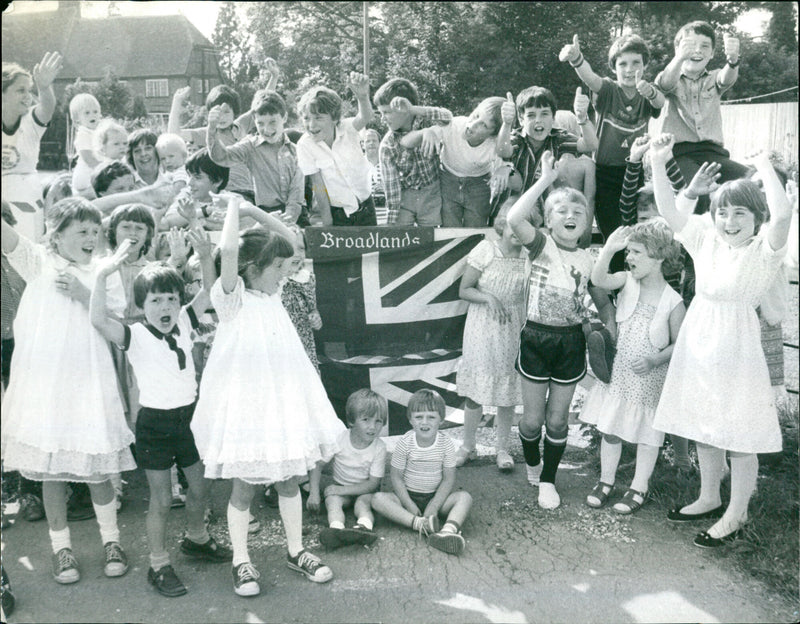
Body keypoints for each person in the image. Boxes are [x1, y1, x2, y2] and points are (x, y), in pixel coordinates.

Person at [190, 195, 345, 596]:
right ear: (253, 269)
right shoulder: (231, 299)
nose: (284, 271)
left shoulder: (273, 295)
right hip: (247, 407)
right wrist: (231, 210)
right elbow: (228, 250)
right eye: (276, 268)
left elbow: (289, 239)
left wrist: (250, 211)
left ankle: (296, 551)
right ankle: (242, 561)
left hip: (284, 401)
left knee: (290, 479)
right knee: (244, 486)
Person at [649, 134, 790, 547]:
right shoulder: (706, 238)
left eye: (740, 213)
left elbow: (783, 215)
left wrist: (763, 163)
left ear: (756, 216)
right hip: (700, 334)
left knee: (738, 429)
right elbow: (668, 212)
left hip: (738, 341)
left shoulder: (765, 249)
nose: (730, 221)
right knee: (703, 419)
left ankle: (737, 511)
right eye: (723, 212)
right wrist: (658, 160)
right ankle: (709, 496)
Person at [1, 197, 135, 585]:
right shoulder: (38, 261)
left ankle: (111, 540)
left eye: (95, 231)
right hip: (46, 386)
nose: (91, 237)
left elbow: (115, 316)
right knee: (51, 472)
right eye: (81, 231)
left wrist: (82, 291)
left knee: (97, 469)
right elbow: (7, 238)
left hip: (89, 383)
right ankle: (62, 548)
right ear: (56, 237)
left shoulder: (101, 271)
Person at [91, 236, 232, 598]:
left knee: (200, 488)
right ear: (142, 305)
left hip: (190, 419)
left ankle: (197, 538)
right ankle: (158, 563)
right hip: (154, 424)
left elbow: (211, 293)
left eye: (171, 298)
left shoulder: (184, 320)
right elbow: (96, 318)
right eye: (156, 300)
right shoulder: (133, 334)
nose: (165, 305)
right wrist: (102, 275)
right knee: (162, 500)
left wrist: (203, 255)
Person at [507, 150, 615, 510]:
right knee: (532, 420)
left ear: (587, 221)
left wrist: (610, 329)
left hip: (570, 344)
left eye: (578, 212)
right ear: (548, 222)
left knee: (556, 421)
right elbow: (513, 216)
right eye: (561, 212)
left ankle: (548, 480)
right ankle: (533, 465)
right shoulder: (541, 246)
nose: (570, 216)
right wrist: (544, 180)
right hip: (536, 338)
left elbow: (602, 300)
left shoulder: (589, 259)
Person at [580, 220, 685, 514]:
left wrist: (654, 360)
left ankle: (639, 486)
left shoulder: (673, 301)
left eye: (637, 252)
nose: (630, 258)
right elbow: (598, 279)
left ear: (659, 257)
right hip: (620, 373)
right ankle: (606, 480)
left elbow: (679, 345)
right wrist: (609, 249)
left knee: (647, 435)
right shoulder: (627, 281)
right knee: (610, 428)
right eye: (629, 252)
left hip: (648, 377)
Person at [559, 33, 664, 264]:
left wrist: (652, 92)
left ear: (645, 65)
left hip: (633, 174)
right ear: (614, 67)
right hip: (605, 174)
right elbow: (590, 78)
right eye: (622, 64)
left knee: (636, 236)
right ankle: (614, 291)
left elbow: (660, 103)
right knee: (615, 237)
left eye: (636, 63)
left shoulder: (646, 91)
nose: (629, 69)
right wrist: (577, 59)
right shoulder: (608, 90)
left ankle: (633, 287)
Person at [455, 210, 527, 471]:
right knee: (476, 390)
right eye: (513, 225)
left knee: (506, 392)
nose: (518, 231)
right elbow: (465, 289)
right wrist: (489, 298)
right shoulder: (486, 249)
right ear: (502, 225)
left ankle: (502, 449)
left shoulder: (530, 255)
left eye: (525, 224)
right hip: (483, 325)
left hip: (514, 325)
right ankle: (468, 446)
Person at [654, 21, 748, 206]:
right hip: (679, 155)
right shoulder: (671, 76)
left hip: (714, 154)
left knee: (751, 183)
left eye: (705, 46)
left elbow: (726, 78)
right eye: (690, 45)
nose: (697, 51)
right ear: (678, 49)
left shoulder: (714, 78)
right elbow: (664, 84)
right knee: (698, 195)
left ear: (712, 53)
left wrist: (733, 60)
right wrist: (680, 58)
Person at [371, 389, 473, 555]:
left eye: (431, 417)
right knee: (377, 499)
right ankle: (418, 523)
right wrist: (409, 504)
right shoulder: (405, 442)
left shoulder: (446, 444)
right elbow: (396, 477)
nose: (424, 422)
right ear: (411, 420)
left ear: (441, 419)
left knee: (464, 498)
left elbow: (448, 479)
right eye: (419, 417)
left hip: (436, 497)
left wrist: (434, 505)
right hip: (408, 497)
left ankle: (447, 531)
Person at [495, 86, 598, 227]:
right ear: (520, 119)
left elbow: (590, 145)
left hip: (542, 217)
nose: (538, 120)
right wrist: (507, 124)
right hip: (511, 213)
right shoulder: (516, 137)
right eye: (531, 115)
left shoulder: (558, 138)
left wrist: (582, 119)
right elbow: (503, 150)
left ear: (553, 118)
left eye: (544, 114)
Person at [401, 96, 506, 227]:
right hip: (448, 180)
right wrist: (425, 132)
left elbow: (506, 160)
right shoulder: (454, 125)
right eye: (476, 115)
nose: (473, 124)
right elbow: (405, 142)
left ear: (493, 134)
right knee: (449, 228)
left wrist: (504, 169)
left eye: (484, 125)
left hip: (478, 185)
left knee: (475, 230)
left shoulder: (494, 144)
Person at [207, 91, 304, 224]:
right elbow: (221, 157)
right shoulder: (250, 146)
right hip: (265, 213)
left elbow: (296, 190)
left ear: (284, 118)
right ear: (254, 121)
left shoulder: (297, 150)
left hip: (296, 214)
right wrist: (212, 129)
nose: (266, 129)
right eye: (261, 123)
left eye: (272, 122)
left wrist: (289, 217)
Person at [308, 389, 388, 550]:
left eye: (378, 421)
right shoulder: (339, 438)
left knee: (363, 504)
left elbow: (373, 484)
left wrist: (342, 489)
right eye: (366, 419)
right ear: (351, 421)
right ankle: (336, 530)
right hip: (340, 487)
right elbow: (318, 465)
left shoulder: (379, 447)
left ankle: (364, 529)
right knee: (332, 501)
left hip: (364, 490)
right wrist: (314, 492)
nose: (372, 427)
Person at [296, 74, 377, 226]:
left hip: (366, 206)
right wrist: (328, 223)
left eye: (318, 118)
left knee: (371, 248)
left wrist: (363, 97)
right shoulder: (304, 145)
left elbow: (365, 117)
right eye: (306, 118)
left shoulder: (347, 128)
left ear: (334, 118)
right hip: (338, 213)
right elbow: (318, 187)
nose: (311, 125)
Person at [373, 78, 453, 226]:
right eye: (380, 113)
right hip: (403, 198)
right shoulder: (387, 145)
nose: (382, 119)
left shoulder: (426, 121)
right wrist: (392, 221)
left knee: (431, 237)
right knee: (404, 240)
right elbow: (392, 188)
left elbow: (448, 117)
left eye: (386, 112)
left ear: (404, 110)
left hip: (431, 193)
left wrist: (413, 109)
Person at [2, 51, 63, 242]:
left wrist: (44, 87)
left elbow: (47, 108)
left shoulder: (31, 122)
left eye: (29, 91)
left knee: (31, 254)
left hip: (30, 198)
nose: (28, 96)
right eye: (21, 91)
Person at [280, 227, 322, 373]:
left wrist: (316, 318)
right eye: (292, 248)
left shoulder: (307, 278)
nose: (297, 253)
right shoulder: (270, 281)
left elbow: (312, 309)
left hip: (303, 347)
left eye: (301, 248)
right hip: (279, 346)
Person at [161, 148, 230, 232]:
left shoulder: (228, 200)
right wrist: (204, 212)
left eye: (197, 178)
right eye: (189, 176)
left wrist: (204, 222)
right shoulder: (187, 195)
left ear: (218, 181)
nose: (190, 183)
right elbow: (166, 223)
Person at [68, 93, 102, 198]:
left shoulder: (97, 132)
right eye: (87, 113)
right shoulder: (83, 135)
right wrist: (105, 168)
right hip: (86, 176)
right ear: (77, 119)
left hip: (94, 173)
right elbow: (88, 158)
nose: (92, 115)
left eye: (95, 112)